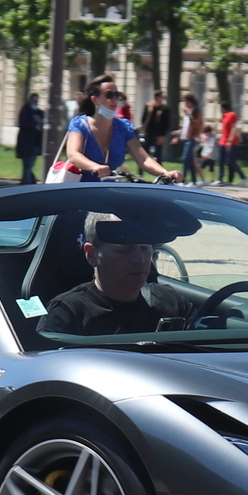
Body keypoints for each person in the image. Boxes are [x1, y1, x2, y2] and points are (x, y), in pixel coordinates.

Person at [43, 213, 199, 335]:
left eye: (145, 248)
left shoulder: (172, 302)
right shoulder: (68, 314)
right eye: (123, 250)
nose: (139, 260)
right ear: (91, 254)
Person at [55, 89, 179, 183]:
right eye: (109, 95)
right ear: (95, 100)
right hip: (81, 188)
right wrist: (95, 167)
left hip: (109, 189)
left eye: (117, 95)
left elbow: (144, 159)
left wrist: (165, 172)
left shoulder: (123, 127)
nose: (115, 99)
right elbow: (73, 155)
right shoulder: (80, 124)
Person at [15, 93, 46, 185]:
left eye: (37, 101)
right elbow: (23, 124)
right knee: (27, 166)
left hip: (36, 143)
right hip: (26, 143)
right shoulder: (25, 111)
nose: (35, 103)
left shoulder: (39, 112)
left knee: (29, 166)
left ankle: (28, 182)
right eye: (34, 101)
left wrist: (41, 122)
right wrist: (34, 122)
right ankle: (28, 184)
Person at [177, 94, 204, 184]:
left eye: (186, 101)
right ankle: (193, 181)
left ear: (190, 102)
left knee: (185, 158)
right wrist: (179, 133)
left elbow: (196, 123)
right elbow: (186, 125)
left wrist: (189, 114)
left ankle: (183, 180)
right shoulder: (189, 112)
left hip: (192, 138)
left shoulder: (196, 111)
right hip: (186, 138)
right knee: (190, 160)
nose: (185, 103)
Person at [217, 104, 243, 184]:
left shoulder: (232, 115)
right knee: (221, 160)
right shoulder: (223, 116)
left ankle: (241, 177)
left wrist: (230, 140)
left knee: (231, 162)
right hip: (222, 141)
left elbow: (233, 128)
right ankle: (220, 178)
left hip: (231, 142)